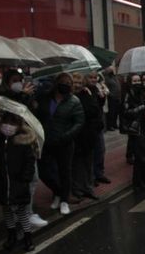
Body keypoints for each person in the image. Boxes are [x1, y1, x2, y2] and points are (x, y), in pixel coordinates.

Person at [0, 71, 47, 229]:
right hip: (13, 146)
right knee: (20, 179)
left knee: (31, 178)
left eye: (21, 80)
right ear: (7, 82)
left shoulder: (27, 97)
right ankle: (21, 213)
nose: (19, 83)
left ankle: (26, 212)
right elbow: (13, 114)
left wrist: (29, 97)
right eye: (15, 80)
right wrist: (21, 96)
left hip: (28, 141)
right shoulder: (4, 98)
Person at [0, 112, 37, 252]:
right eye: (6, 122)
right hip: (1, 183)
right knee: (7, 210)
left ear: (19, 126)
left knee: (22, 211)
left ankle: (28, 237)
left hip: (18, 183)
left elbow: (29, 162)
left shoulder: (23, 142)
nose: (8, 126)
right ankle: (11, 236)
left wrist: (24, 179)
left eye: (13, 123)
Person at [34, 73, 84, 215]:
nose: (66, 85)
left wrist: (66, 136)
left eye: (69, 83)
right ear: (56, 83)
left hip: (65, 143)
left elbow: (79, 122)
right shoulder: (45, 98)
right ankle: (57, 191)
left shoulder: (74, 101)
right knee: (44, 171)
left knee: (65, 172)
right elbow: (37, 114)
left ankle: (63, 200)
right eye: (63, 82)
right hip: (46, 141)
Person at [71, 73, 102, 201]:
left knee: (88, 163)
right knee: (76, 164)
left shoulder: (86, 94)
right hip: (75, 135)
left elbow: (94, 111)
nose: (77, 85)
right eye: (75, 83)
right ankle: (77, 189)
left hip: (88, 134)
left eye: (79, 83)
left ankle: (88, 188)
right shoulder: (69, 97)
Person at [90, 72, 110, 185]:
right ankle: (92, 176)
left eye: (95, 77)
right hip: (90, 126)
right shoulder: (87, 90)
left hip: (98, 124)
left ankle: (99, 173)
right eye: (91, 77)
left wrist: (102, 96)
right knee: (92, 151)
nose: (93, 80)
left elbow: (99, 105)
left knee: (101, 149)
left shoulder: (96, 89)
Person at [103, 66, 121, 131]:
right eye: (110, 69)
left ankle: (114, 124)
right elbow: (105, 88)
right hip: (111, 98)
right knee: (111, 112)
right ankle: (110, 126)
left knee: (116, 112)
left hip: (117, 97)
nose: (111, 70)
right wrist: (110, 94)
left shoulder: (114, 77)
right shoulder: (106, 78)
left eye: (112, 69)